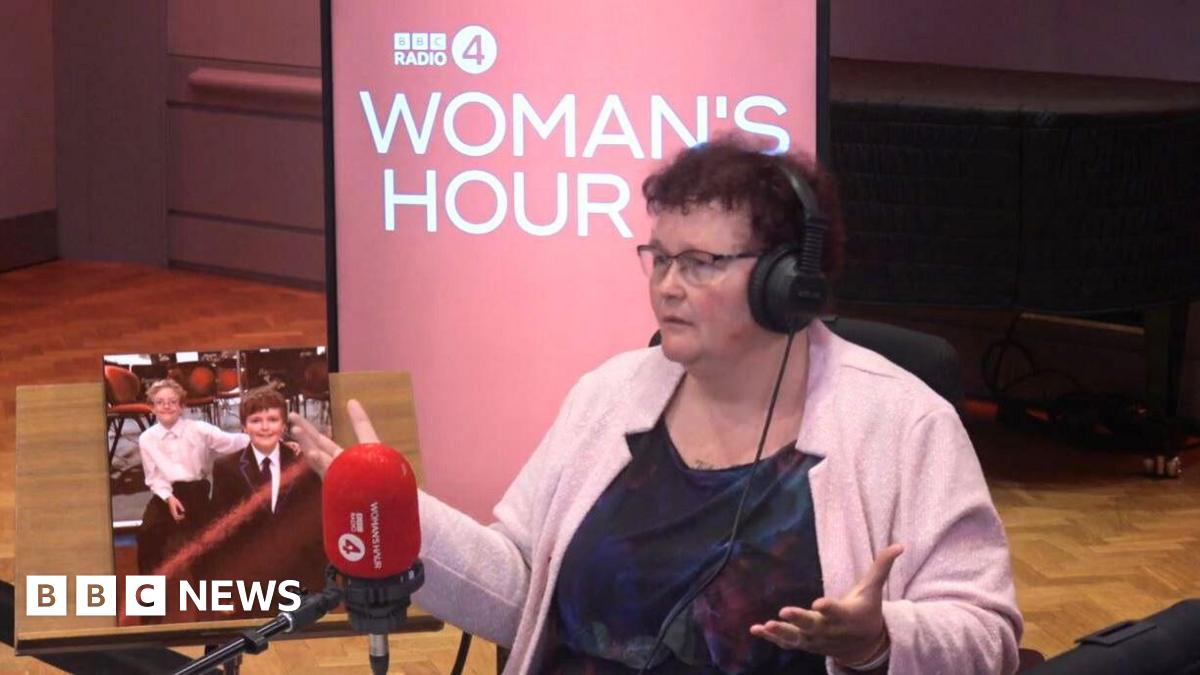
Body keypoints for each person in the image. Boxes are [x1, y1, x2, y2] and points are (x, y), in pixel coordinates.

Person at [291, 135, 1023, 674]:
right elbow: (522, 590)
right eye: (661, 257)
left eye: (700, 262)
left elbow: (988, 633)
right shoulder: (611, 393)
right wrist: (402, 514)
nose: (668, 284)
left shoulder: (901, 423)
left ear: (788, 282)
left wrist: (880, 638)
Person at [207, 387, 325, 602]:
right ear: (244, 426)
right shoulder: (226, 467)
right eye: (255, 420)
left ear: (283, 425)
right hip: (250, 578)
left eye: (272, 419)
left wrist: (320, 581)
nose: (264, 427)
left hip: (300, 574)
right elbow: (221, 530)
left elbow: (317, 524)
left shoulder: (305, 463)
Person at [136, 378, 248, 575]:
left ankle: (207, 591)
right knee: (147, 533)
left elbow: (233, 442)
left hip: (196, 492)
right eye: (160, 402)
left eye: (172, 401)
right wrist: (168, 498)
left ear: (182, 407)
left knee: (207, 539)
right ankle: (149, 591)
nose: (166, 406)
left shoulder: (200, 429)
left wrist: (277, 442)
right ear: (152, 408)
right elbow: (154, 477)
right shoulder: (146, 439)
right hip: (165, 495)